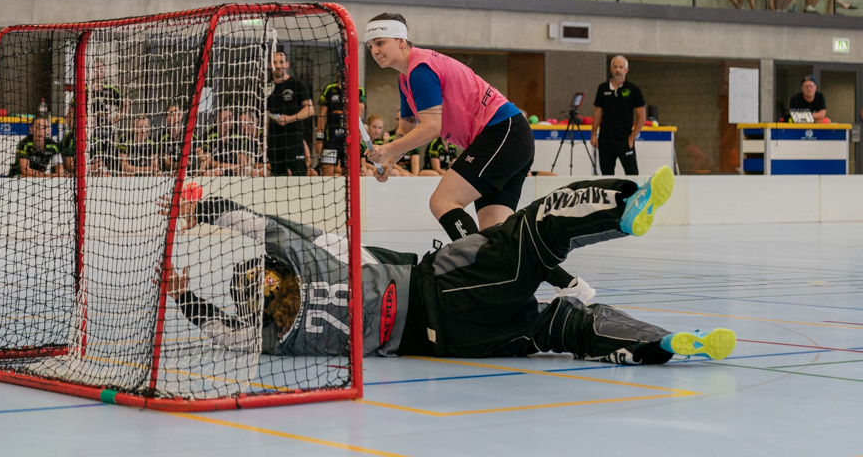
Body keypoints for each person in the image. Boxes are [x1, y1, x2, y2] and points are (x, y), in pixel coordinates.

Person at [165, 174, 736, 364]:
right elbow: (263, 225)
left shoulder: (277, 342)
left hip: (449, 343)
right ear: (270, 274)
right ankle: (622, 206)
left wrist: (185, 301)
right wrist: (204, 209)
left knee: (560, 329)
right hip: (441, 284)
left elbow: (226, 333)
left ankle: (662, 344)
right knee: (528, 234)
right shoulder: (313, 257)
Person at [362, 14, 533, 242]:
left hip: (502, 132)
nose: (374, 51)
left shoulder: (420, 69)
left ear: (401, 41)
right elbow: (407, 127)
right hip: (511, 136)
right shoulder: (406, 78)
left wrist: (386, 149)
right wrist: (390, 161)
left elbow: (432, 127)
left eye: (380, 42)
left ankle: (473, 263)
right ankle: (555, 278)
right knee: (494, 233)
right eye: (370, 45)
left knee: (442, 202)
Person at [591, 55, 646, 176]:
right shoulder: (603, 88)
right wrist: (593, 134)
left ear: (626, 70)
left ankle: (633, 195)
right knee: (606, 174)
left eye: (621, 67)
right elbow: (597, 112)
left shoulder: (634, 90)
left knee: (632, 173)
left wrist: (632, 137)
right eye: (615, 67)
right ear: (611, 69)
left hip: (624, 139)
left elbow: (642, 117)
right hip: (605, 139)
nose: (618, 70)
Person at [267, 49, 313, 176]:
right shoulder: (267, 88)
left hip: (293, 139)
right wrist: (264, 141)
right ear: (270, 65)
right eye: (274, 62)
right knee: (277, 177)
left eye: (281, 62)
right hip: (275, 141)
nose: (278, 65)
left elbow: (310, 109)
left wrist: (290, 118)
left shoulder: (296, 84)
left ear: (286, 64)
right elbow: (266, 116)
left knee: (299, 175)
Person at [316, 80, 366, 177]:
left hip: (349, 138)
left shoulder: (359, 90)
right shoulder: (329, 89)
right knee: (327, 175)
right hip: (330, 138)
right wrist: (319, 138)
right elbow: (322, 115)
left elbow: (358, 113)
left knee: (349, 175)